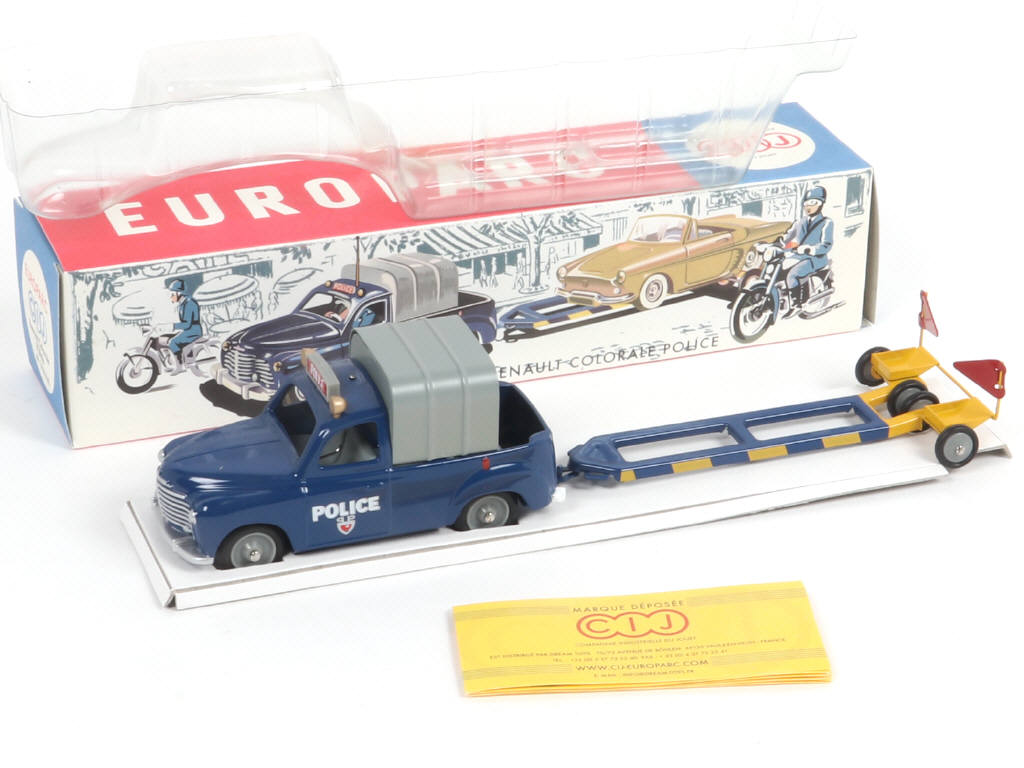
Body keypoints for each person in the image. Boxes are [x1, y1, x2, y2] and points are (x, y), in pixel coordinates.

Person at [779, 185, 834, 306]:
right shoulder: (800, 222)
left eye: (813, 203)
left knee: (793, 275)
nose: (808, 206)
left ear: (821, 203)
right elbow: (787, 237)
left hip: (816, 258)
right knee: (778, 270)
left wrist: (811, 249)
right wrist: (777, 243)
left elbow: (827, 244)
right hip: (798, 256)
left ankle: (797, 304)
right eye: (806, 203)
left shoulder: (826, 222)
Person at [167, 278, 202, 374]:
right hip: (189, 329)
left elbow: (187, 324)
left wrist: (172, 326)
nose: (171, 296)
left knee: (173, 342)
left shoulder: (189, 303)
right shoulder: (182, 304)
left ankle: (180, 366)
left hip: (194, 330)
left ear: (179, 293)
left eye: (172, 294)